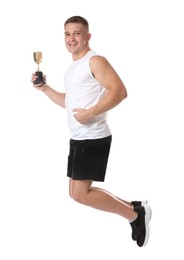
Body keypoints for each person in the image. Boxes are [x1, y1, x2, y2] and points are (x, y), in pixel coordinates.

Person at [31, 15, 151, 247]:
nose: (71, 38)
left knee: (79, 194)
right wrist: (45, 89)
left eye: (77, 33)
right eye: (67, 33)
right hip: (78, 137)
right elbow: (69, 101)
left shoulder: (95, 60)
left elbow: (120, 91)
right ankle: (135, 207)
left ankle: (135, 215)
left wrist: (92, 112)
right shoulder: (74, 66)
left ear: (87, 36)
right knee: (76, 192)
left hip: (92, 136)